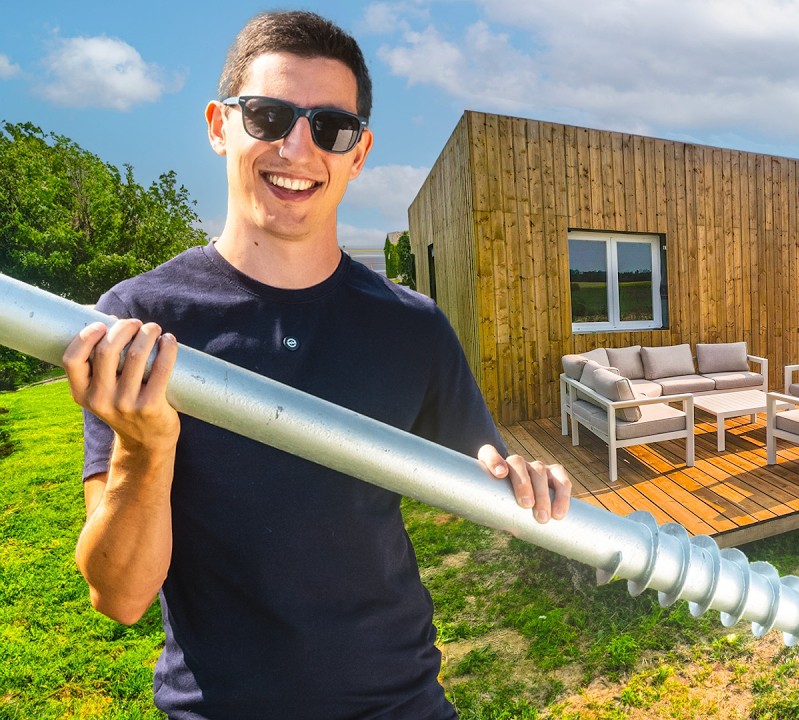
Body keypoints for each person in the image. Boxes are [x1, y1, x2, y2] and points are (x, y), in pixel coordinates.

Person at [60, 10, 571, 719]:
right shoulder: (139, 322)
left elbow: (487, 474)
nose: (298, 149)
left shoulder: (411, 326)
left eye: (330, 128)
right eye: (268, 116)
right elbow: (119, 596)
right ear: (218, 126)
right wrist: (147, 451)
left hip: (402, 703)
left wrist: (522, 482)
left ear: (358, 154)